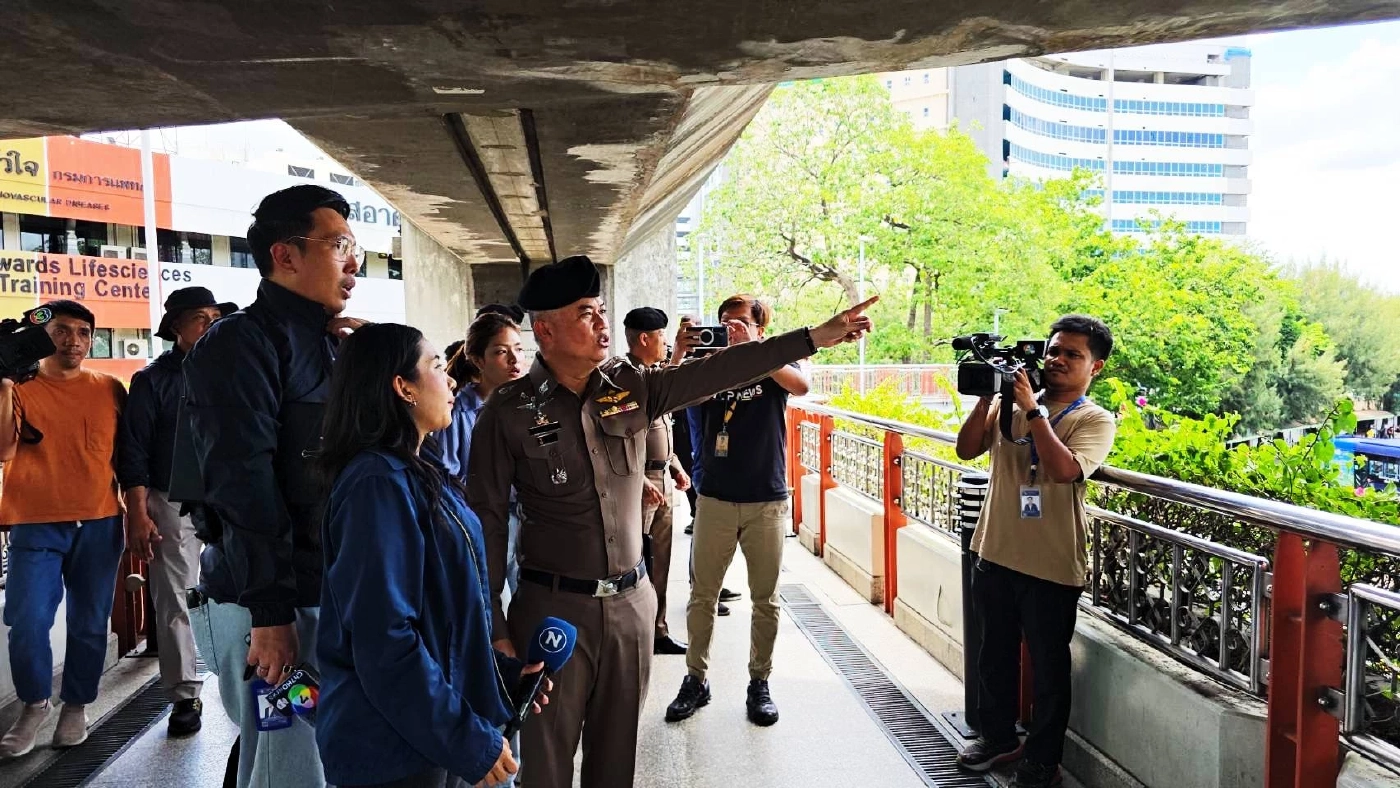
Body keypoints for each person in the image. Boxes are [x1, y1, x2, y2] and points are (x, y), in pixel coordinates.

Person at [466, 255, 875, 788]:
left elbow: (722, 367)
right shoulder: (510, 410)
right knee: (546, 766)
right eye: (587, 312)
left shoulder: (630, 383)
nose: (603, 323)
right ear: (544, 328)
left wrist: (813, 337)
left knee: (616, 764)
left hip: (633, 605)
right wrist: (494, 630)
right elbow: (487, 525)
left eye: (602, 310)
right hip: (552, 613)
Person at [182, 184, 365, 788]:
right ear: (285, 255)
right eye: (340, 245)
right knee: (293, 765)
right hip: (272, 607)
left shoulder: (332, 344)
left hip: (321, 592)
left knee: (301, 752)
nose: (354, 262)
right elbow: (243, 485)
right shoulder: (240, 344)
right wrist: (272, 614)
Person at [316, 322, 549, 788]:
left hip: (424, 732)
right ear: (402, 387)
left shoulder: (416, 470)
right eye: (438, 368)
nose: (451, 381)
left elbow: (441, 612)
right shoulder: (376, 485)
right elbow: (386, 640)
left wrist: (500, 673)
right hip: (393, 749)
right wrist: (466, 740)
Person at [953, 315, 1118, 788]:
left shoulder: (1094, 419)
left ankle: (1043, 760)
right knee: (993, 657)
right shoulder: (1012, 402)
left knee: (1049, 670)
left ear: (1096, 367)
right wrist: (988, 396)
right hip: (995, 551)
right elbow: (967, 450)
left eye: (1073, 354)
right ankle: (998, 738)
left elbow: (1066, 471)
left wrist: (1034, 412)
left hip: (1051, 564)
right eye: (1054, 349)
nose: (1057, 360)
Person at [665, 295, 810, 727]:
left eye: (740, 324)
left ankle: (759, 682)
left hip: (766, 498)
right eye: (724, 323)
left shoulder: (773, 363)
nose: (730, 330)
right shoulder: (712, 366)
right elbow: (669, 398)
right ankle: (696, 678)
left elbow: (800, 387)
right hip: (715, 499)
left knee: (765, 599)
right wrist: (682, 353)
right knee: (702, 596)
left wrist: (755, 353)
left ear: (759, 329)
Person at [0, 300, 127, 757]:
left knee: (90, 622)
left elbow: (127, 460)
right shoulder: (20, 387)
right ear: (42, 336)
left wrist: (140, 512)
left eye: (83, 332)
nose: (73, 340)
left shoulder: (110, 388)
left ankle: (77, 703)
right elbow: (3, 451)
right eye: (61, 330)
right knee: (27, 621)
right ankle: (35, 704)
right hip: (34, 521)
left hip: (99, 520)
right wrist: (4, 380)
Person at [118, 287, 236, 737]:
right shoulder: (152, 380)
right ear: (177, 328)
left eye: (214, 317)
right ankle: (185, 694)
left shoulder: (232, 372)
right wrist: (137, 510)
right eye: (199, 319)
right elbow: (134, 449)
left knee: (239, 588)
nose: (209, 326)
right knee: (176, 595)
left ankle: (250, 676)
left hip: (229, 493)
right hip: (171, 498)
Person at [604, 307, 692, 655]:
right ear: (644, 338)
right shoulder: (624, 378)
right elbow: (614, 437)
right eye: (662, 338)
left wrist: (675, 464)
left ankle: (658, 630)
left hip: (662, 478)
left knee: (661, 557)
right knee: (634, 562)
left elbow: (660, 428)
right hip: (640, 484)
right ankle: (632, 633)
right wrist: (639, 478)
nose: (666, 344)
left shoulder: (653, 374)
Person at [438, 311, 527, 598]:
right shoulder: (457, 413)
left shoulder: (529, 406)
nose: (514, 360)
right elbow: (446, 479)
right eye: (501, 352)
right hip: (481, 522)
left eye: (519, 349)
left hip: (527, 519)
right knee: (487, 602)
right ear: (478, 360)